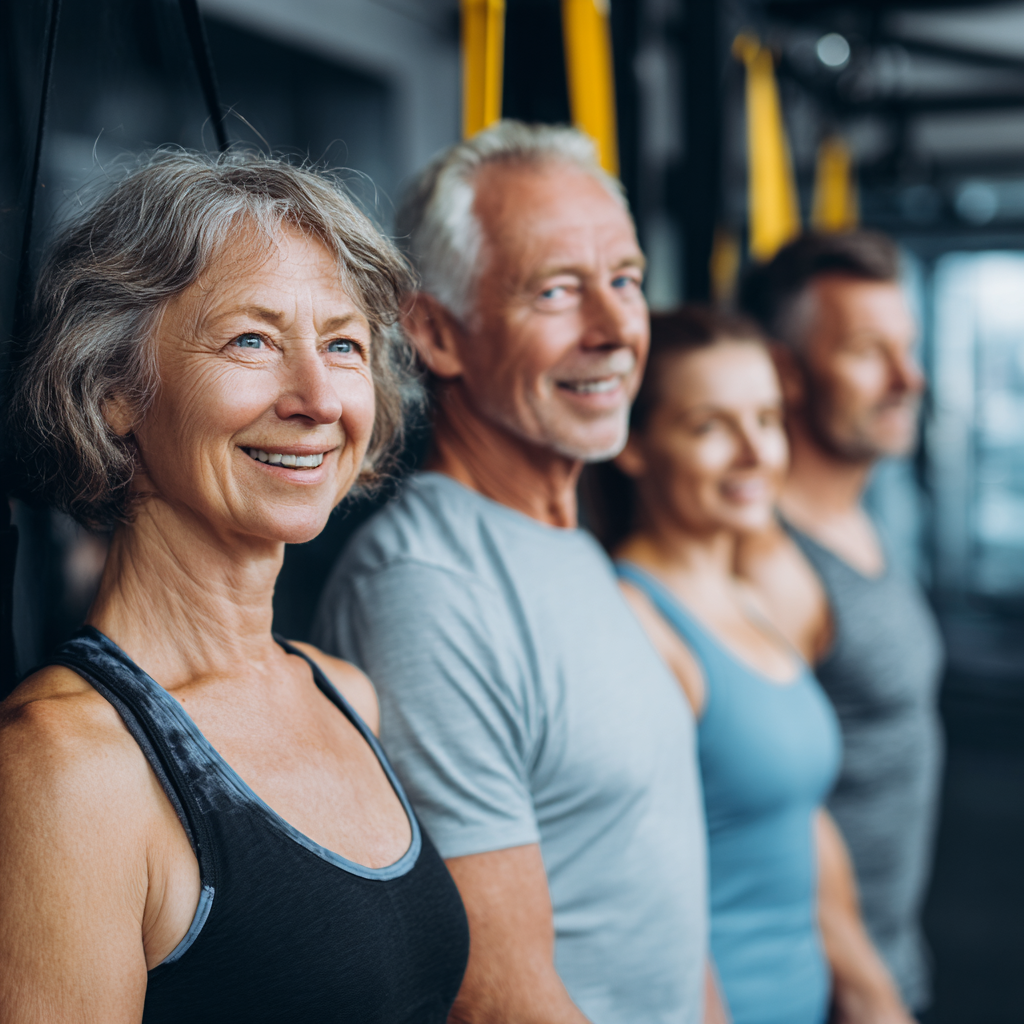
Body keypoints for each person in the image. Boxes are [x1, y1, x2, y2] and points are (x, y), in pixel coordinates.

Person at [0, 152, 469, 1022]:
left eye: (343, 344)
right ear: (113, 392)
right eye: (251, 339)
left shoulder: (347, 696)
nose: (319, 397)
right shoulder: (66, 769)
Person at [314, 122, 714, 1024]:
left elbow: (670, 926)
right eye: (557, 291)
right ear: (437, 334)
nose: (615, 330)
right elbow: (499, 1002)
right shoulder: (426, 588)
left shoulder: (566, 537)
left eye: (625, 280)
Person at [586, 306, 913, 1024]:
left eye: (766, 419)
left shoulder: (757, 599)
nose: (755, 453)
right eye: (710, 427)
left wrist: (876, 998)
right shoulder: (633, 619)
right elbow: (638, 893)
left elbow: (805, 828)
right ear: (635, 445)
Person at [736, 232, 944, 1015]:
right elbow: (772, 813)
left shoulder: (872, 512)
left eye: (909, 348)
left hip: (893, 952)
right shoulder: (768, 566)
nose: (907, 378)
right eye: (868, 351)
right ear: (786, 373)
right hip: (831, 989)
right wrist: (864, 989)